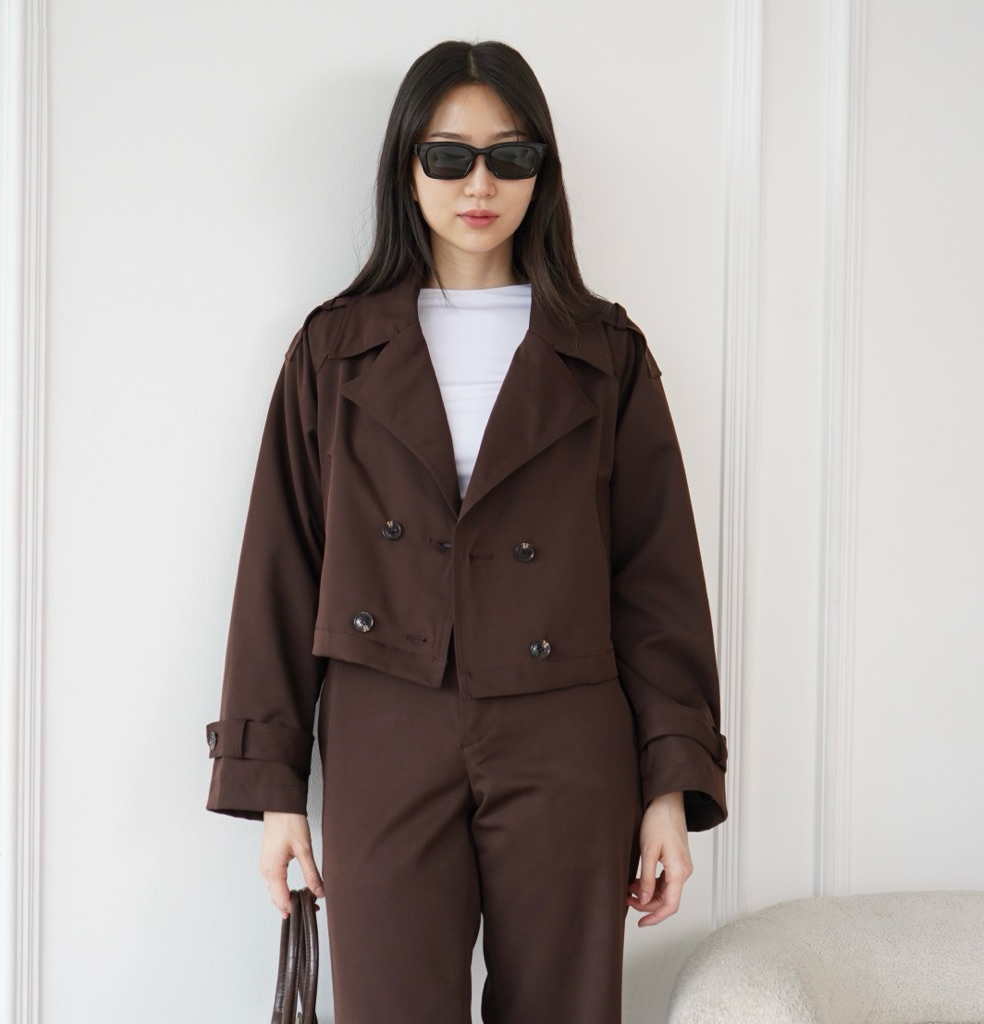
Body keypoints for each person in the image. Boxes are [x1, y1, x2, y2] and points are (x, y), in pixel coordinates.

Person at [205, 38, 728, 1024]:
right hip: (384, 720)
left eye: (508, 156)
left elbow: (654, 578)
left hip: (565, 723)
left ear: (541, 171)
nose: (478, 184)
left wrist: (670, 785)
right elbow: (282, 565)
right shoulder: (334, 350)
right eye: (448, 156)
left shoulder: (605, 353)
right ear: (407, 168)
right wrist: (274, 790)